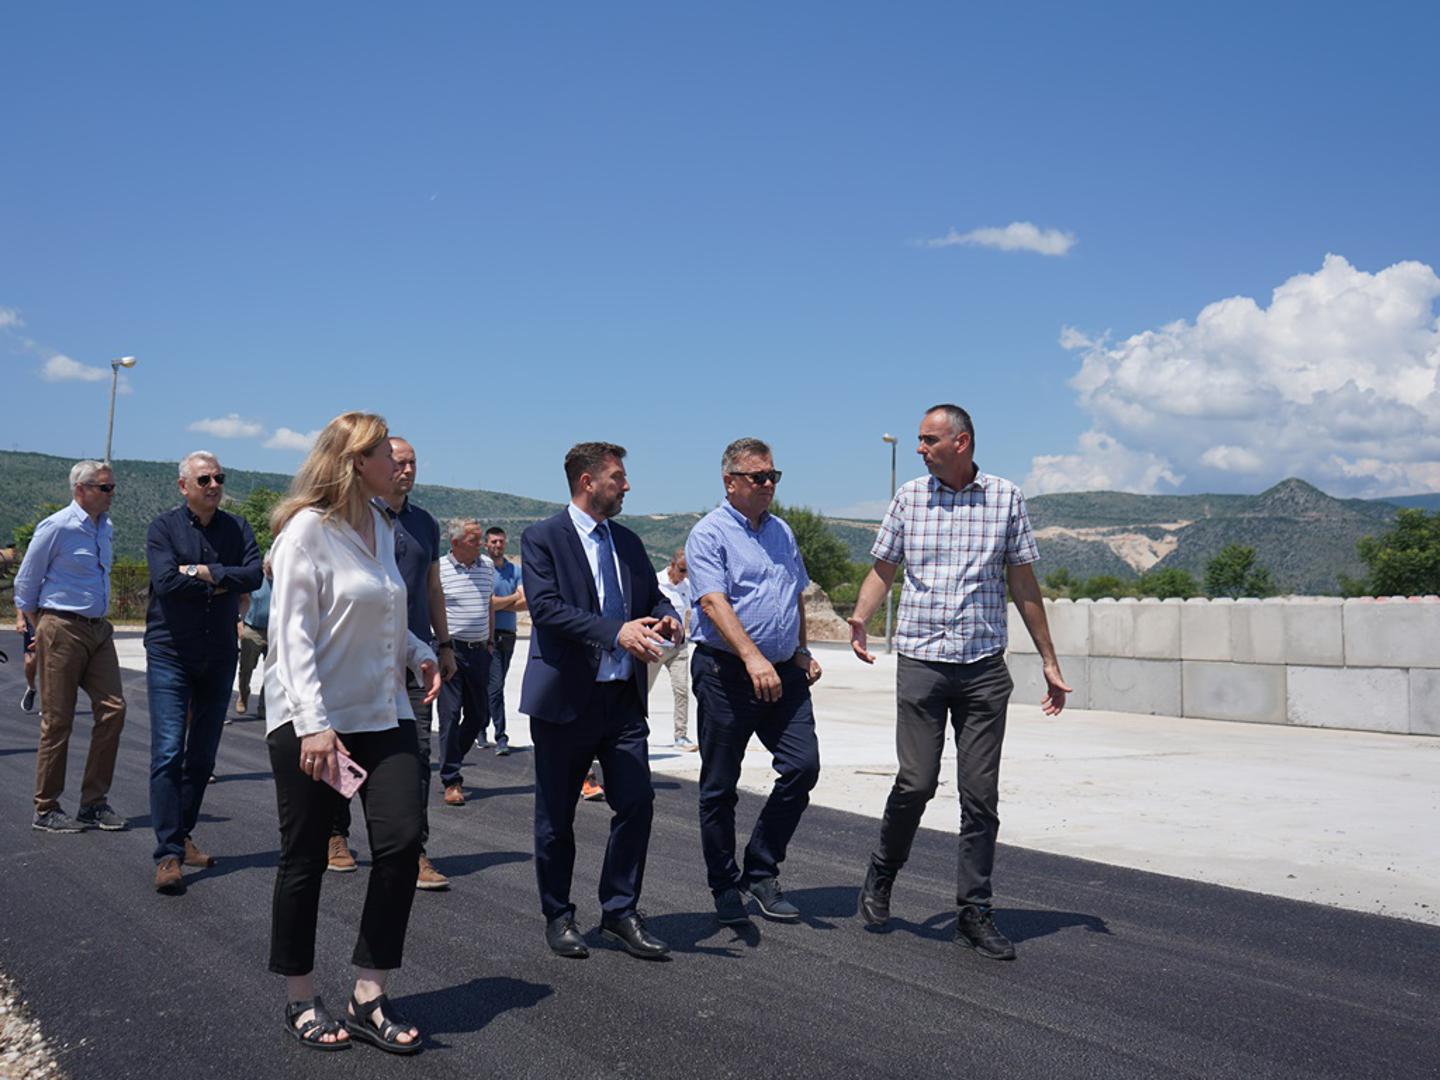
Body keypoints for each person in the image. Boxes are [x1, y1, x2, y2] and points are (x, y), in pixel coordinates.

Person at [847, 403, 1071, 961]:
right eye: (919, 440)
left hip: (983, 668)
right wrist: (860, 617)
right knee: (916, 783)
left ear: (961, 442)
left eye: (929, 440)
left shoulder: (1006, 498)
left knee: (980, 797)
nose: (920, 449)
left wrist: (1048, 658)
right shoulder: (909, 498)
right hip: (922, 662)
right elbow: (883, 567)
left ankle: (974, 911)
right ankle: (882, 871)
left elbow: (1024, 583)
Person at [264, 411, 440, 1052]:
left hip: (383, 711)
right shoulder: (306, 531)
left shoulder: (383, 526)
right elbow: (292, 636)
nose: (400, 464)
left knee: (401, 842)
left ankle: (368, 995)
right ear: (355, 462)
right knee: (305, 856)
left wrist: (418, 650)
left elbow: (384, 608)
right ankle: (300, 997)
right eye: (386, 455)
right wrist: (314, 726)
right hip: (314, 720)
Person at [520, 441, 681, 960]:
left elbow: (652, 597)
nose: (627, 486)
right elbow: (546, 609)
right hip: (566, 699)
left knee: (636, 803)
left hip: (622, 700)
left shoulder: (628, 542)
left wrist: (668, 616)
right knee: (556, 817)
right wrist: (616, 632)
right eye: (617, 477)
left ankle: (619, 912)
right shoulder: (543, 538)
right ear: (587, 482)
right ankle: (558, 915)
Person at [686, 438, 822, 926]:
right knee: (720, 787)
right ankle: (725, 885)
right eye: (758, 477)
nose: (768, 484)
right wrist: (752, 658)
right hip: (726, 674)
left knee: (802, 767)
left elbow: (795, 594)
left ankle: (761, 871)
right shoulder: (709, 534)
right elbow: (712, 602)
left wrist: (801, 651)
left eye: (773, 476)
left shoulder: (782, 531)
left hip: (783, 673)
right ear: (730, 482)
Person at [329, 436, 456, 890]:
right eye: (397, 461)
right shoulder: (352, 518)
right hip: (359, 655)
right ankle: (336, 833)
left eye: (412, 462)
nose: (406, 469)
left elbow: (433, 587)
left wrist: (444, 645)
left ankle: (413, 850)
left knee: (416, 754)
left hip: (414, 657)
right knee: (347, 746)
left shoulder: (425, 523)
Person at [144, 451, 263, 893]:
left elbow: (254, 576)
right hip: (171, 652)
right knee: (168, 752)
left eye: (219, 478)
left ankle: (182, 835)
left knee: (203, 756)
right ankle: (168, 855)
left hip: (219, 654)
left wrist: (202, 571)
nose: (214, 485)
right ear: (184, 486)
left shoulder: (238, 528)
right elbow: (165, 582)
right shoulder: (162, 528)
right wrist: (221, 581)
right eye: (204, 479)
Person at [13, 461, 128, 834]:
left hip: (99, 629)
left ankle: (93, 803)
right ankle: (46, 808)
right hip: (62, 626)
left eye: (112, 487)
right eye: (105, 488)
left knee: (113, 710)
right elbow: (26, 583)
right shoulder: (57, 526)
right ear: (81, 489)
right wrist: (40, 629)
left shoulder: (105, 527)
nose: (111, 494)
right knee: (58, 718)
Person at [435, 519, 494, 808]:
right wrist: (441, 647)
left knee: (479, 715)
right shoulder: (439, 569)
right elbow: (433, 606)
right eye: (474, 540)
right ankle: (451, 779)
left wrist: (490, 640)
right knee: (449, 714)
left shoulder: (487, 566)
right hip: (451, 651)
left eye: (480, 539)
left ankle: (451, 758)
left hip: (480, 652)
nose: (480, 545)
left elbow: (488, 603)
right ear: (456, 543)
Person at [648, 549, 695, 751]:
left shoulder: (688, 586)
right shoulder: (656, 582)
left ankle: (681, 735)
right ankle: (635, 730)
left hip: (678, 646)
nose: (684, 575)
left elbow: (690, 611)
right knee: (643, 690)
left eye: (687, 572)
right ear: (672, 564)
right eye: (682, 570)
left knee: (681, 690)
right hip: (655, 645)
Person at [484, 526, 525, 756]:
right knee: (495, 686)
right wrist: (512, 599)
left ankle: (480, 727)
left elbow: (526, 601)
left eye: (501, 541)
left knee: (494, 686)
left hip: (509, 635)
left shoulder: (515, 570)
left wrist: (498, 603)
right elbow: (486, 603)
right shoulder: (482, 570)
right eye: (494, 542)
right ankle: (501, 736)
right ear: (486, 544)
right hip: (488, 636)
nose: (498, 545)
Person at [236, 567, 271, 720]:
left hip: (273, 631)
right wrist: (239, 622)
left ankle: (264, 706)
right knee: (246, 667)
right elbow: (242, 598)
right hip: (253, 628)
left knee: (272, 672)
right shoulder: (257, 579)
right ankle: (243, 694)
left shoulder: (283, 579)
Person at [15, 611, 39, 714]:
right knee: (30, 662)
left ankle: (49, 703)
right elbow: (21, 601)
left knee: (49, 660)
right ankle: (31, 687)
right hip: (32, 617)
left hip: (53, 618)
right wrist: (20, 618)